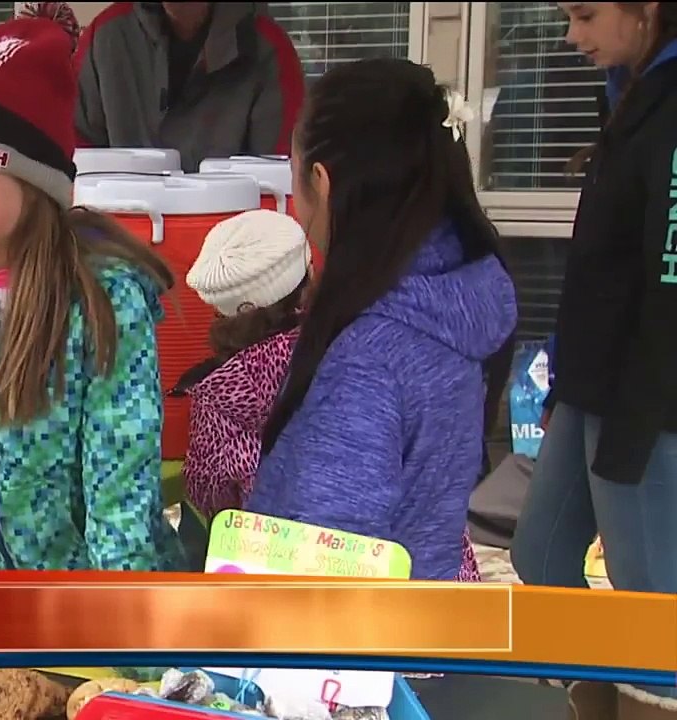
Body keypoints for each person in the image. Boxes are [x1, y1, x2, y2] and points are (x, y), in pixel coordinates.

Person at [0, 8, 183, 572]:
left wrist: (120, 653)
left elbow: (121, 505)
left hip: (93, 623)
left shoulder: (105, 301)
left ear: (31, 176)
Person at [243, 57, 518, 583]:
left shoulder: (372, 356)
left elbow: (324, 567)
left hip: (347, 657)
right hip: (422, 629)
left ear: (321, 182)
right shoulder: (452, 303)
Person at [511, 3, 677, 716]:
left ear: (648, 11)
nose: (572, 36)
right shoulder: (630, 92)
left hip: (644, 403)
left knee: (650, 606)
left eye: (585, 15)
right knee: (541, 560)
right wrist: (565, 386)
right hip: (591, 389)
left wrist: (640, 424)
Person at [173, 209, 308, 520]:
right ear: (307, 280)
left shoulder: (214, 391)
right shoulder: (338, 355)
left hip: (256, 553)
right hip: (345, 552)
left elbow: (207, 494)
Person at [74, 2, 305, 172]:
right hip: (120, 231)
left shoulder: (269, 50)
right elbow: (73, 169)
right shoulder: (105, 37)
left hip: (233, 233)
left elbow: (283, 181)